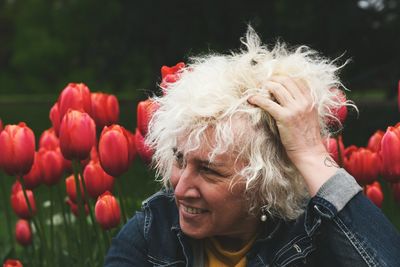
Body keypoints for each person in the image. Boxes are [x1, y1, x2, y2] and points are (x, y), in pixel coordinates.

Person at [105, 27, 400, 266]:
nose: (180, 190)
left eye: (209, 171)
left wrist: (310, 153)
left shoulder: (311, 238)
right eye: (180, 160)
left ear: (263, 183)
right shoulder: (154, 227)